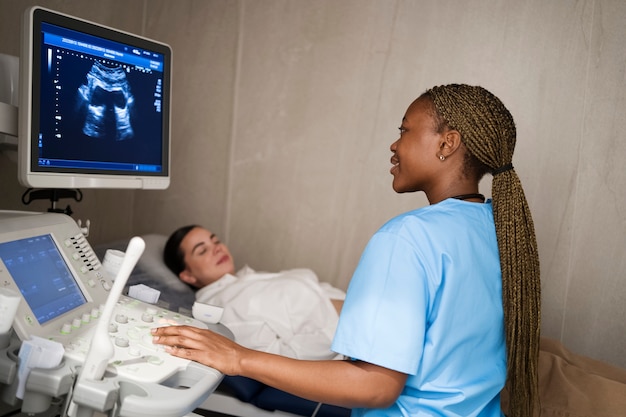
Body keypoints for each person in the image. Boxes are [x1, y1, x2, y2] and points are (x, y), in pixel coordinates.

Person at [152, 84, 541, 417]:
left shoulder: (407, 238)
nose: (394, 143)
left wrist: (237, 358)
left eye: (404, 130)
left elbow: (376, 386)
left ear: (447, 142)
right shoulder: (501, 231)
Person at [162, 225, 346, 360]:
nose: (217, 248)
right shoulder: (222, 307)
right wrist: (347, 329)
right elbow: (285, 358)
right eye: (202, 250)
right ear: (188, 276)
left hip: (359, 319)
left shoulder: (245, 280)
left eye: (216, 241)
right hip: (352, 345)